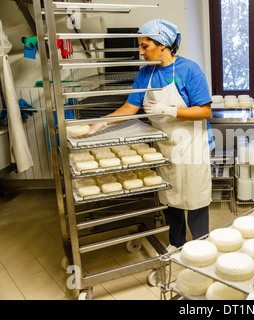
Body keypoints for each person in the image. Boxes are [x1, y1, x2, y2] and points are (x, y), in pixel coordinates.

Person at [89, 19, 213, 250]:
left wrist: (169, 109)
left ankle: (202, 246)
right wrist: (99, 124)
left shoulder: (189, 70)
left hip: (192, 146)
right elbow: (130, 107)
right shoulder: (145, 74)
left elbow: (205, 111)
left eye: (145, 46)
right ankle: (176, 243)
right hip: (165, 147)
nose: (140, 51)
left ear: (163, 45)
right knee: (170, 196)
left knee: (196, 197)